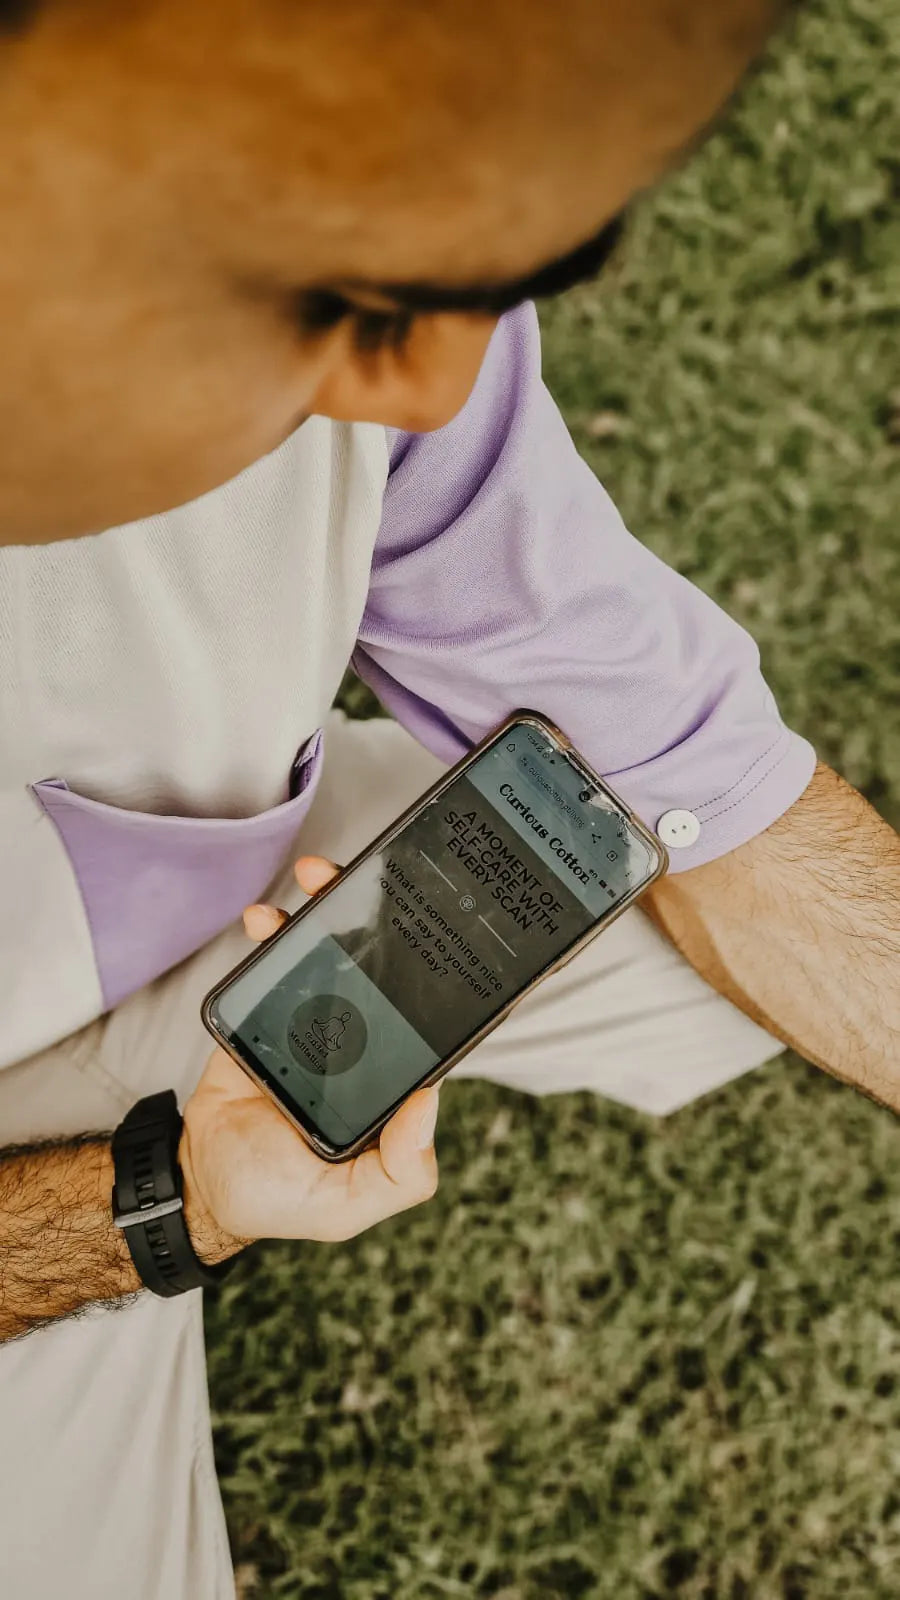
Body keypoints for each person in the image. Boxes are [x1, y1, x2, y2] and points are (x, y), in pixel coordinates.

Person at [0, 0, 897, 1593]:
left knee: (697, 944)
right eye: (332, 292)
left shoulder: (365, 236)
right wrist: (154, 1207)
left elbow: (706, 785)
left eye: (516, 276)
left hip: (175, 879)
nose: (431, 397)